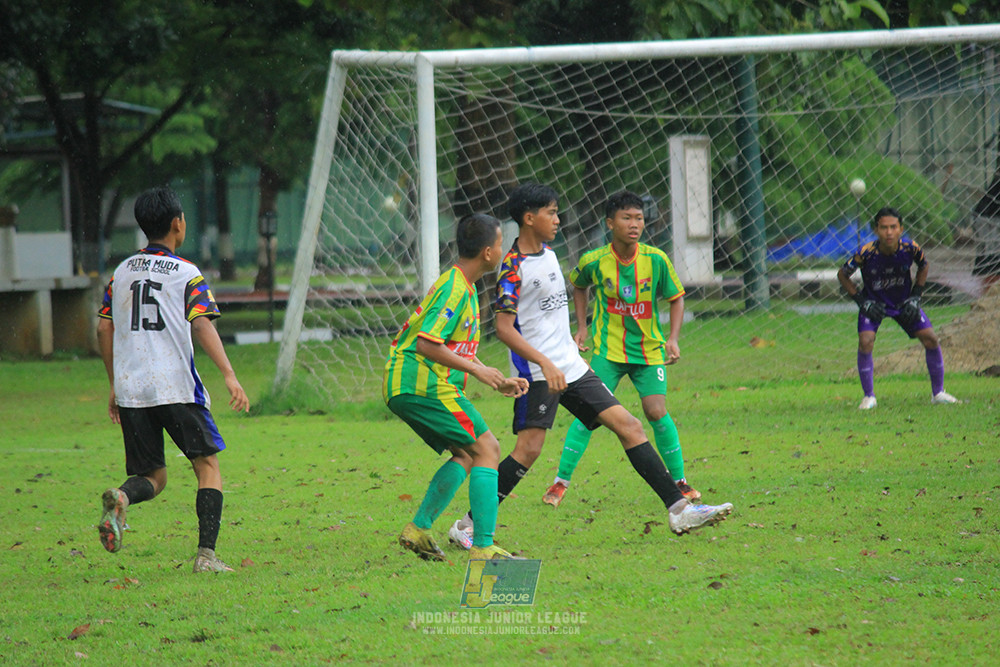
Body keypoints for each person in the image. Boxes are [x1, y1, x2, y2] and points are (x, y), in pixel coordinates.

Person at [449, 183, 733, 549]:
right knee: (529, 450)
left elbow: (549, 318)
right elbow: (504, 328)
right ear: (529, 218)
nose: (557, 219)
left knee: (630, 426)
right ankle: (468, 525)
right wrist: (544, 362)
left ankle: (679, 510)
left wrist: (571, 350)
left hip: (570, 366)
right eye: (551, 213)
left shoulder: (550, 254)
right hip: (538, 372)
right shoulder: (513, 268)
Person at [96, 186, 250, 573]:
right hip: (175, 386)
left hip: (132, 389)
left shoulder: (122, 272)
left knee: (153, 476)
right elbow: (201, 323)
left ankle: (122, 498)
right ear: (178, 224)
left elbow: (103, 327)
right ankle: (206, 557)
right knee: (207, 466)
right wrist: (229, 375)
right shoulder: (186, 273)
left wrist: (115, 384)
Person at [385, 213, 529, 562]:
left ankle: (419, 529)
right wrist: (478, 372)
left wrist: (492, 375)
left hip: (410, 383)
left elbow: (453, 346)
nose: (501, 250)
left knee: (466, 454)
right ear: (488, 252)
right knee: (488, 449)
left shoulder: (463, 285)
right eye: (500, 244)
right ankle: (483, 546)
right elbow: (427, 343)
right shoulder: (454, 288)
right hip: (421, 382)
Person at [542, 190, 699, 509]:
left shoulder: (656, 259)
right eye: (626, 218)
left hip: (648, 351)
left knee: (656, 411)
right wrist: (582, 327)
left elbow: (677, 297)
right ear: (610, 223)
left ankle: (680, 482)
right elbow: (579, 285)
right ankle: (560, 482)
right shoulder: (594, 261)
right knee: (589, 413)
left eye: (639, 218)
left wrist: (673, 338)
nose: (634, 224)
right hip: (608, 351)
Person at [837, 206, 959, 410]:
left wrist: (916, 297)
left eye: (893, 227)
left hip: (903, 303)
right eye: (884, 227)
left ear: (901, 229)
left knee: (931, 338)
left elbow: (924, 266)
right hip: (875, 303)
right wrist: (861, 301)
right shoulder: (866, 253)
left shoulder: (911, 248)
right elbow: (842, 274)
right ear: (876, 230)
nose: (889, 232)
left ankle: (938, 393)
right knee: (865, 341)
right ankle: (869, 397)